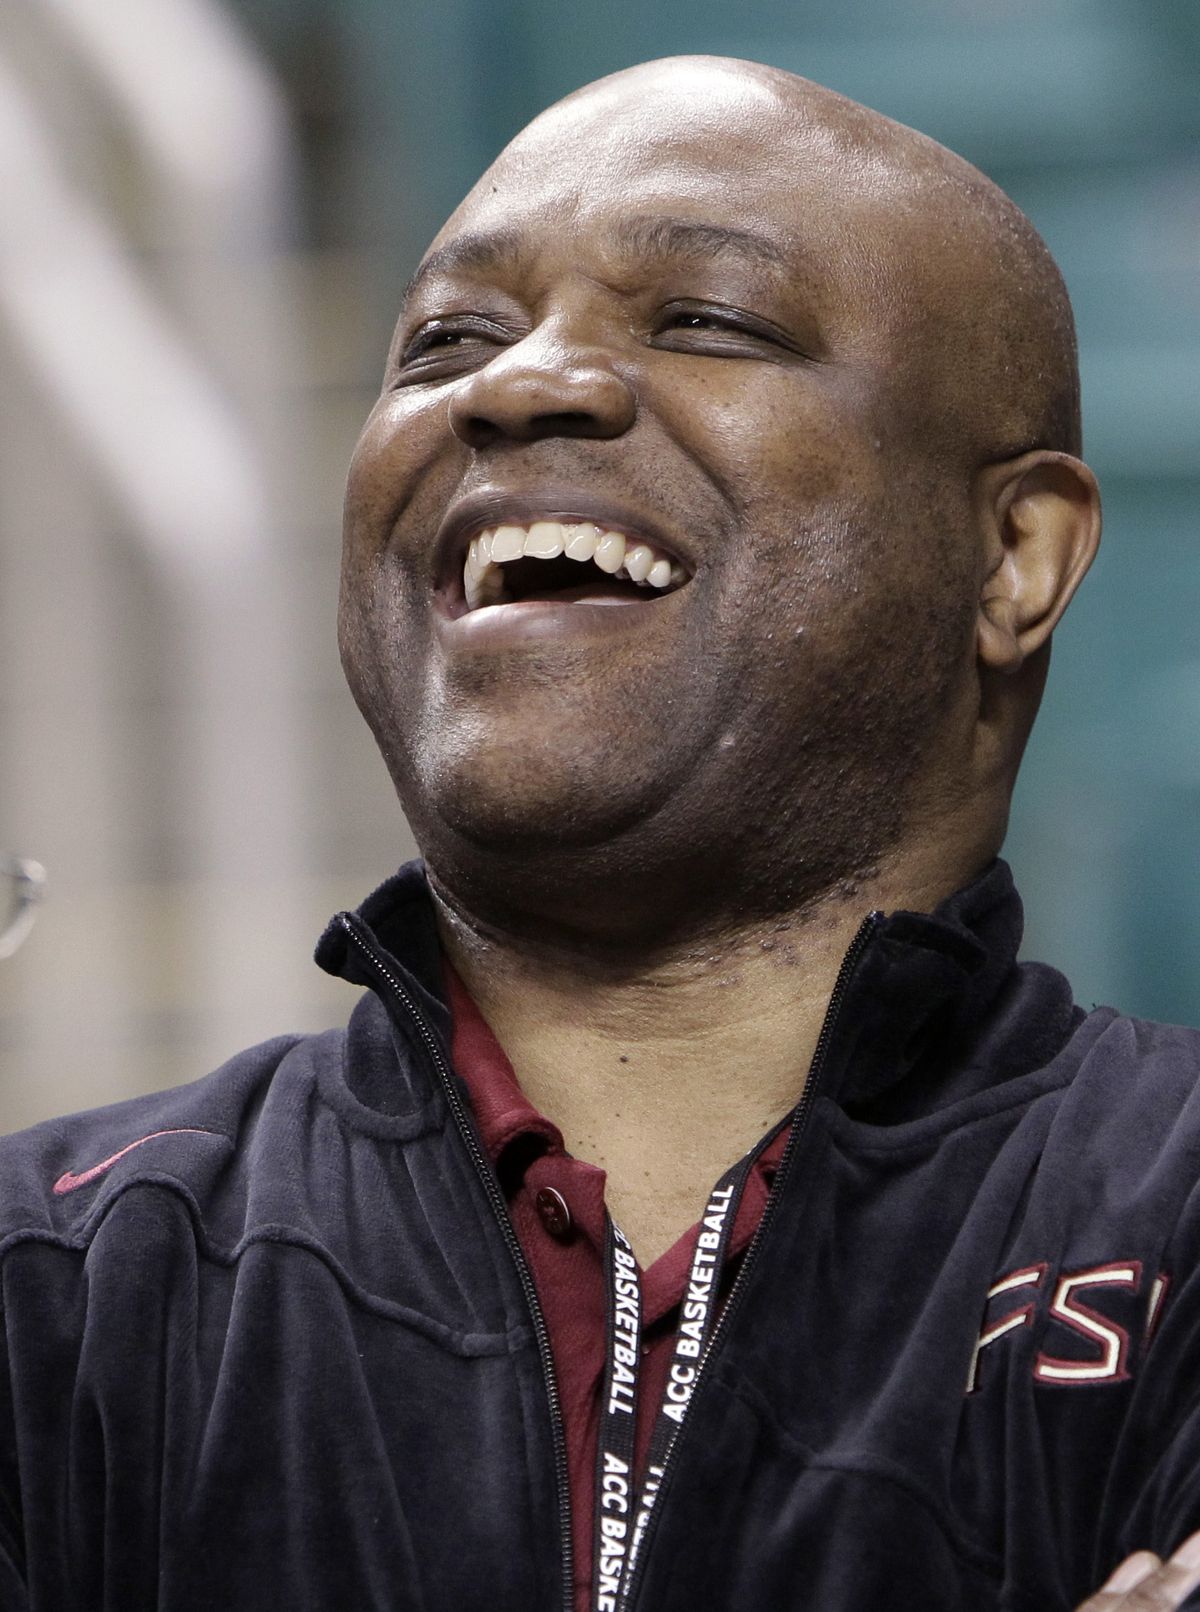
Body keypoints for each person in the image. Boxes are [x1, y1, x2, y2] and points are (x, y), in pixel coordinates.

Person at [1, 52, 1198, 1612]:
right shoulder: (52, 1279)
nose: (515, 384)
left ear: (1015, 556)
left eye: (706, 320)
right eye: (446, 341)